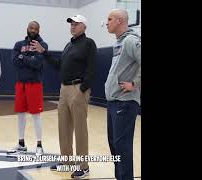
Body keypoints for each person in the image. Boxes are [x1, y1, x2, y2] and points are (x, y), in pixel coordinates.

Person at [30, 14, 97, 179]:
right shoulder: (69, 45)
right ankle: (67, 162)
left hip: (78, 89)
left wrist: (82, 89)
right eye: (71, 24)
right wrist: (44, 52)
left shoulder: (88, 43)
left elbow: (92, 68)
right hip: (64, 90)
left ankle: (84, 166)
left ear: (84, 26)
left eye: (76, 24)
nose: (72, 26)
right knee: (64, 128)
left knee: (80, 130)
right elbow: (59, 65)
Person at [105, 9, 141, 180]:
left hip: (125, 103)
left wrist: (134, 83)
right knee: (116, 148)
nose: (107, 22)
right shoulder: (119, 42)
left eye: (110, 19)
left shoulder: (131, 41)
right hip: (114, 103)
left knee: (123, 148)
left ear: (119, 21)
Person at [7, 21, 48, 156]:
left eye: (35, 29)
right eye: (31, 28)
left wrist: (22, 57)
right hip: (20, 84)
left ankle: (39, 145)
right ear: (27, 29)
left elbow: (37, 63)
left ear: (39, 30)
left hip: (34, 84)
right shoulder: (19, 45)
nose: (33, 30)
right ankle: (21, 144)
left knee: (36, 115)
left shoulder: (42, 45)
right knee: (20, 114)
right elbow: (14, 61)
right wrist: (28, 58)